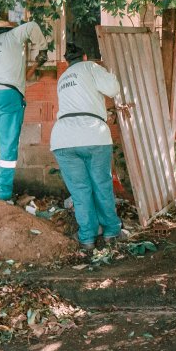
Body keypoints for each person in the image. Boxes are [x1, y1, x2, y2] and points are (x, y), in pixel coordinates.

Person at [50, 43, 127, 250]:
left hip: (63, 139)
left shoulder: (63, 78)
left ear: (67, 61)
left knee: (80, 191)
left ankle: (87, 238)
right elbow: (112, 88)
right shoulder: (90, 67)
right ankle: (112, 232)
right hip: (93, 135)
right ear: (84, 56)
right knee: (101, 185)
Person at [0, 18, 47, 200]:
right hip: (7, 95)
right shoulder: (12, 35)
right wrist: (42, 49)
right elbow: (32, 27)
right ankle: (2, 193)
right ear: (6, 29)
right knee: (8, 144)